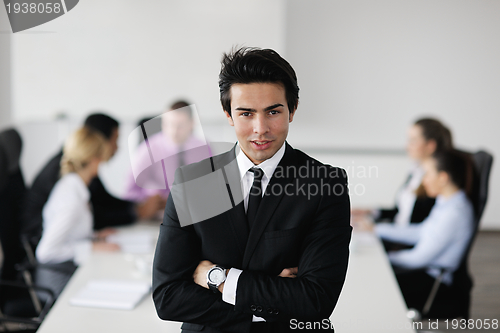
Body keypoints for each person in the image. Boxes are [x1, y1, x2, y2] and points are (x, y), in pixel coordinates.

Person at [152, 47, 351, 333]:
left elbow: (315, 300)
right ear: (228, 114)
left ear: (292, 110)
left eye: (273, 112)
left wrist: (218, 279)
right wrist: (272, 303)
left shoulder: (324, 184)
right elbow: (168, 297)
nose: (260, 128)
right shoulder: (191, 182)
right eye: (246, 113)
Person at [22, 113, 160, 248]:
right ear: (98, 142)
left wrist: (138, 206)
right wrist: (137, 212)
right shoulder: (69, 178)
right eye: (115, 140)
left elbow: (104, 200)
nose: (117, 148)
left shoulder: (78, 169)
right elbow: (96, 214)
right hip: (41, 243)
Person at [375, 149, 475, 311]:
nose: (424, 181)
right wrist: (377, 229)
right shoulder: (447, 202)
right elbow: (420, 232)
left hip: (432, 282)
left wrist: (384, 257)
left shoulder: (454, 213)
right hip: (423, 271)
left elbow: (419, 258)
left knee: (377, 285)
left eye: (427, 174)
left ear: (443, 178)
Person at [353, 118, 453, 226]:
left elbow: (420, 228)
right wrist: (371, 212)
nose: (407, 146)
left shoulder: (437, 181)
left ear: (430, 146)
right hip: (395, 233)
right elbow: (400, 212)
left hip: (403, 239)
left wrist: (377, 229)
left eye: (413, 141)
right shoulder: (415, 172)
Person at [124, 101, 210, 208]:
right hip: (157, 216)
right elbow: (129, 192)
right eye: (169, 124)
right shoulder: (148, 150)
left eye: (180, 126)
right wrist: (150, 201)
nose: (174, 131)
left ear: (192, 123)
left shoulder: (204, 149)